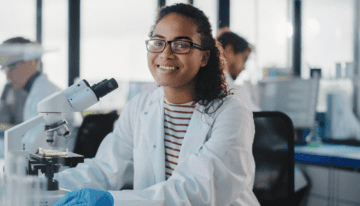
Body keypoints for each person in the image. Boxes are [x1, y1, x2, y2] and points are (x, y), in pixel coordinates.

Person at [54, 3, 260, 206]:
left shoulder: (232, 113)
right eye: (158, 42)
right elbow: (105, 168)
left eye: (181, 44)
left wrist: (112, 200)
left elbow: (197, 190)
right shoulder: (139, 106)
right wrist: (48, 186)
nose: (166, 53)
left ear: (204, 56)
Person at [0, 37, 77, 155]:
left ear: (29, 62)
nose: (7, 76)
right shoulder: (41, 91)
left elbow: (32, 148)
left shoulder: (44, 95)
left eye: (10, 67)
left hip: (52, 168)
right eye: (4, 69)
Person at [217, 29, 260, 111]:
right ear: (229, 51)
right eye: (244, 59)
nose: (244, 68)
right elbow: (257, 118)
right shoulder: (228, 87)